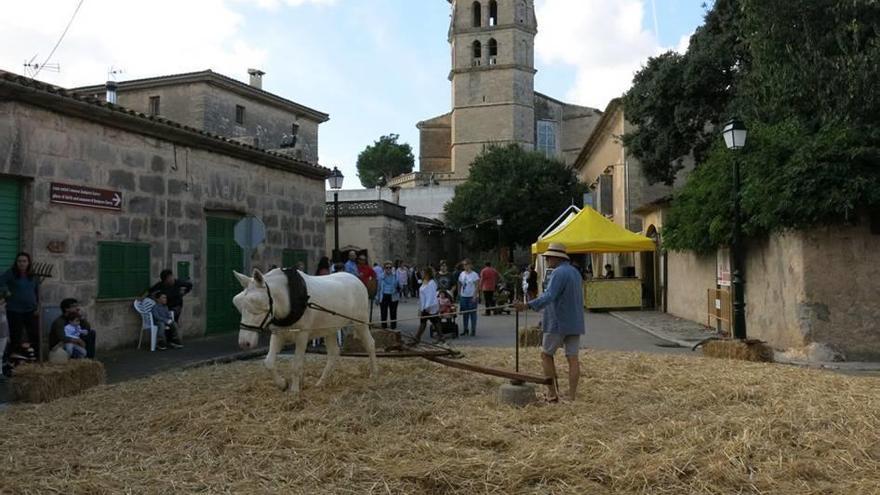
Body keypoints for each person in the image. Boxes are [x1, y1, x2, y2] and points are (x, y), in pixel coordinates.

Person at [514, 243, 585, 403]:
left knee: (546, 355)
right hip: (575, 322)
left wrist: (527, 305)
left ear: (556, 258)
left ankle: (552, 394)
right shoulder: (575, 272)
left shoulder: (558, 273)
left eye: (548, 257)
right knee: (573, 358)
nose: (546, 260)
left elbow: (550, 296)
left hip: (558, 322)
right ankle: (572, 396)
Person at [0, 252, 40, 361]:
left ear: (28, 263)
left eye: (24, 261)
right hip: (14, 310)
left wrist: (37, 306)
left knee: (34, 334)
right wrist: (6, 291)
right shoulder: (11, 273)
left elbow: (36, 292)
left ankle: (34, 357)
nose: (22, 263)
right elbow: (1, 282)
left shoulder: (33, 276)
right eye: (19, 261)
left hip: (30, 310)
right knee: (15, 335)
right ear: (16, 263)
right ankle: (13, 359)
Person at [412, 267, 440, 344]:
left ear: (427, 274)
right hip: (424, 306)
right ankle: (417, 337)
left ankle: (417, 338)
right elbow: (422, 296)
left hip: (430, 306)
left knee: (432, 321)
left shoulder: (431, 283)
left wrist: (427, 307)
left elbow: (431, 296)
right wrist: (420, 308)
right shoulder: (424, 282)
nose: (421, 274)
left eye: (423, 272)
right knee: (428, 322)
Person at [375, 261, 402, 331]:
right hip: (384, 295)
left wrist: (399, 286)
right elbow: (378, 288)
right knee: (383, 312)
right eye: (387, 267)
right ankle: (384, 327)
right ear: (384, 268)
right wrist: (377, 298)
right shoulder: (381, 276)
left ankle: (393, 326)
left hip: (393, 296)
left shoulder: (395, 275)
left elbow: (400, 285)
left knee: (393, 312)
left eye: (390, 267)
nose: (388, 269)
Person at [457, 260, 480, 337]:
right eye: (464, 265)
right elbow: (459, 283)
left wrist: (474, 296)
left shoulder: (474, 274)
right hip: (464, 296)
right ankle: (465, 329)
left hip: (471, 296)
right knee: (465, 314)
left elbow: (477, 286)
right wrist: (459, 293)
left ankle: (473, 330)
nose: (465, 266)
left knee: (472, 314)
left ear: (470, 265)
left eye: (466, 265)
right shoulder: (462, 274)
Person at [0, 291, 10, 376]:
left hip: (3, 334)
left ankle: (1, 372)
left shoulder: (3, 310)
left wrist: (7, 335)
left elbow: (5, 323)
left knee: (1, 354)